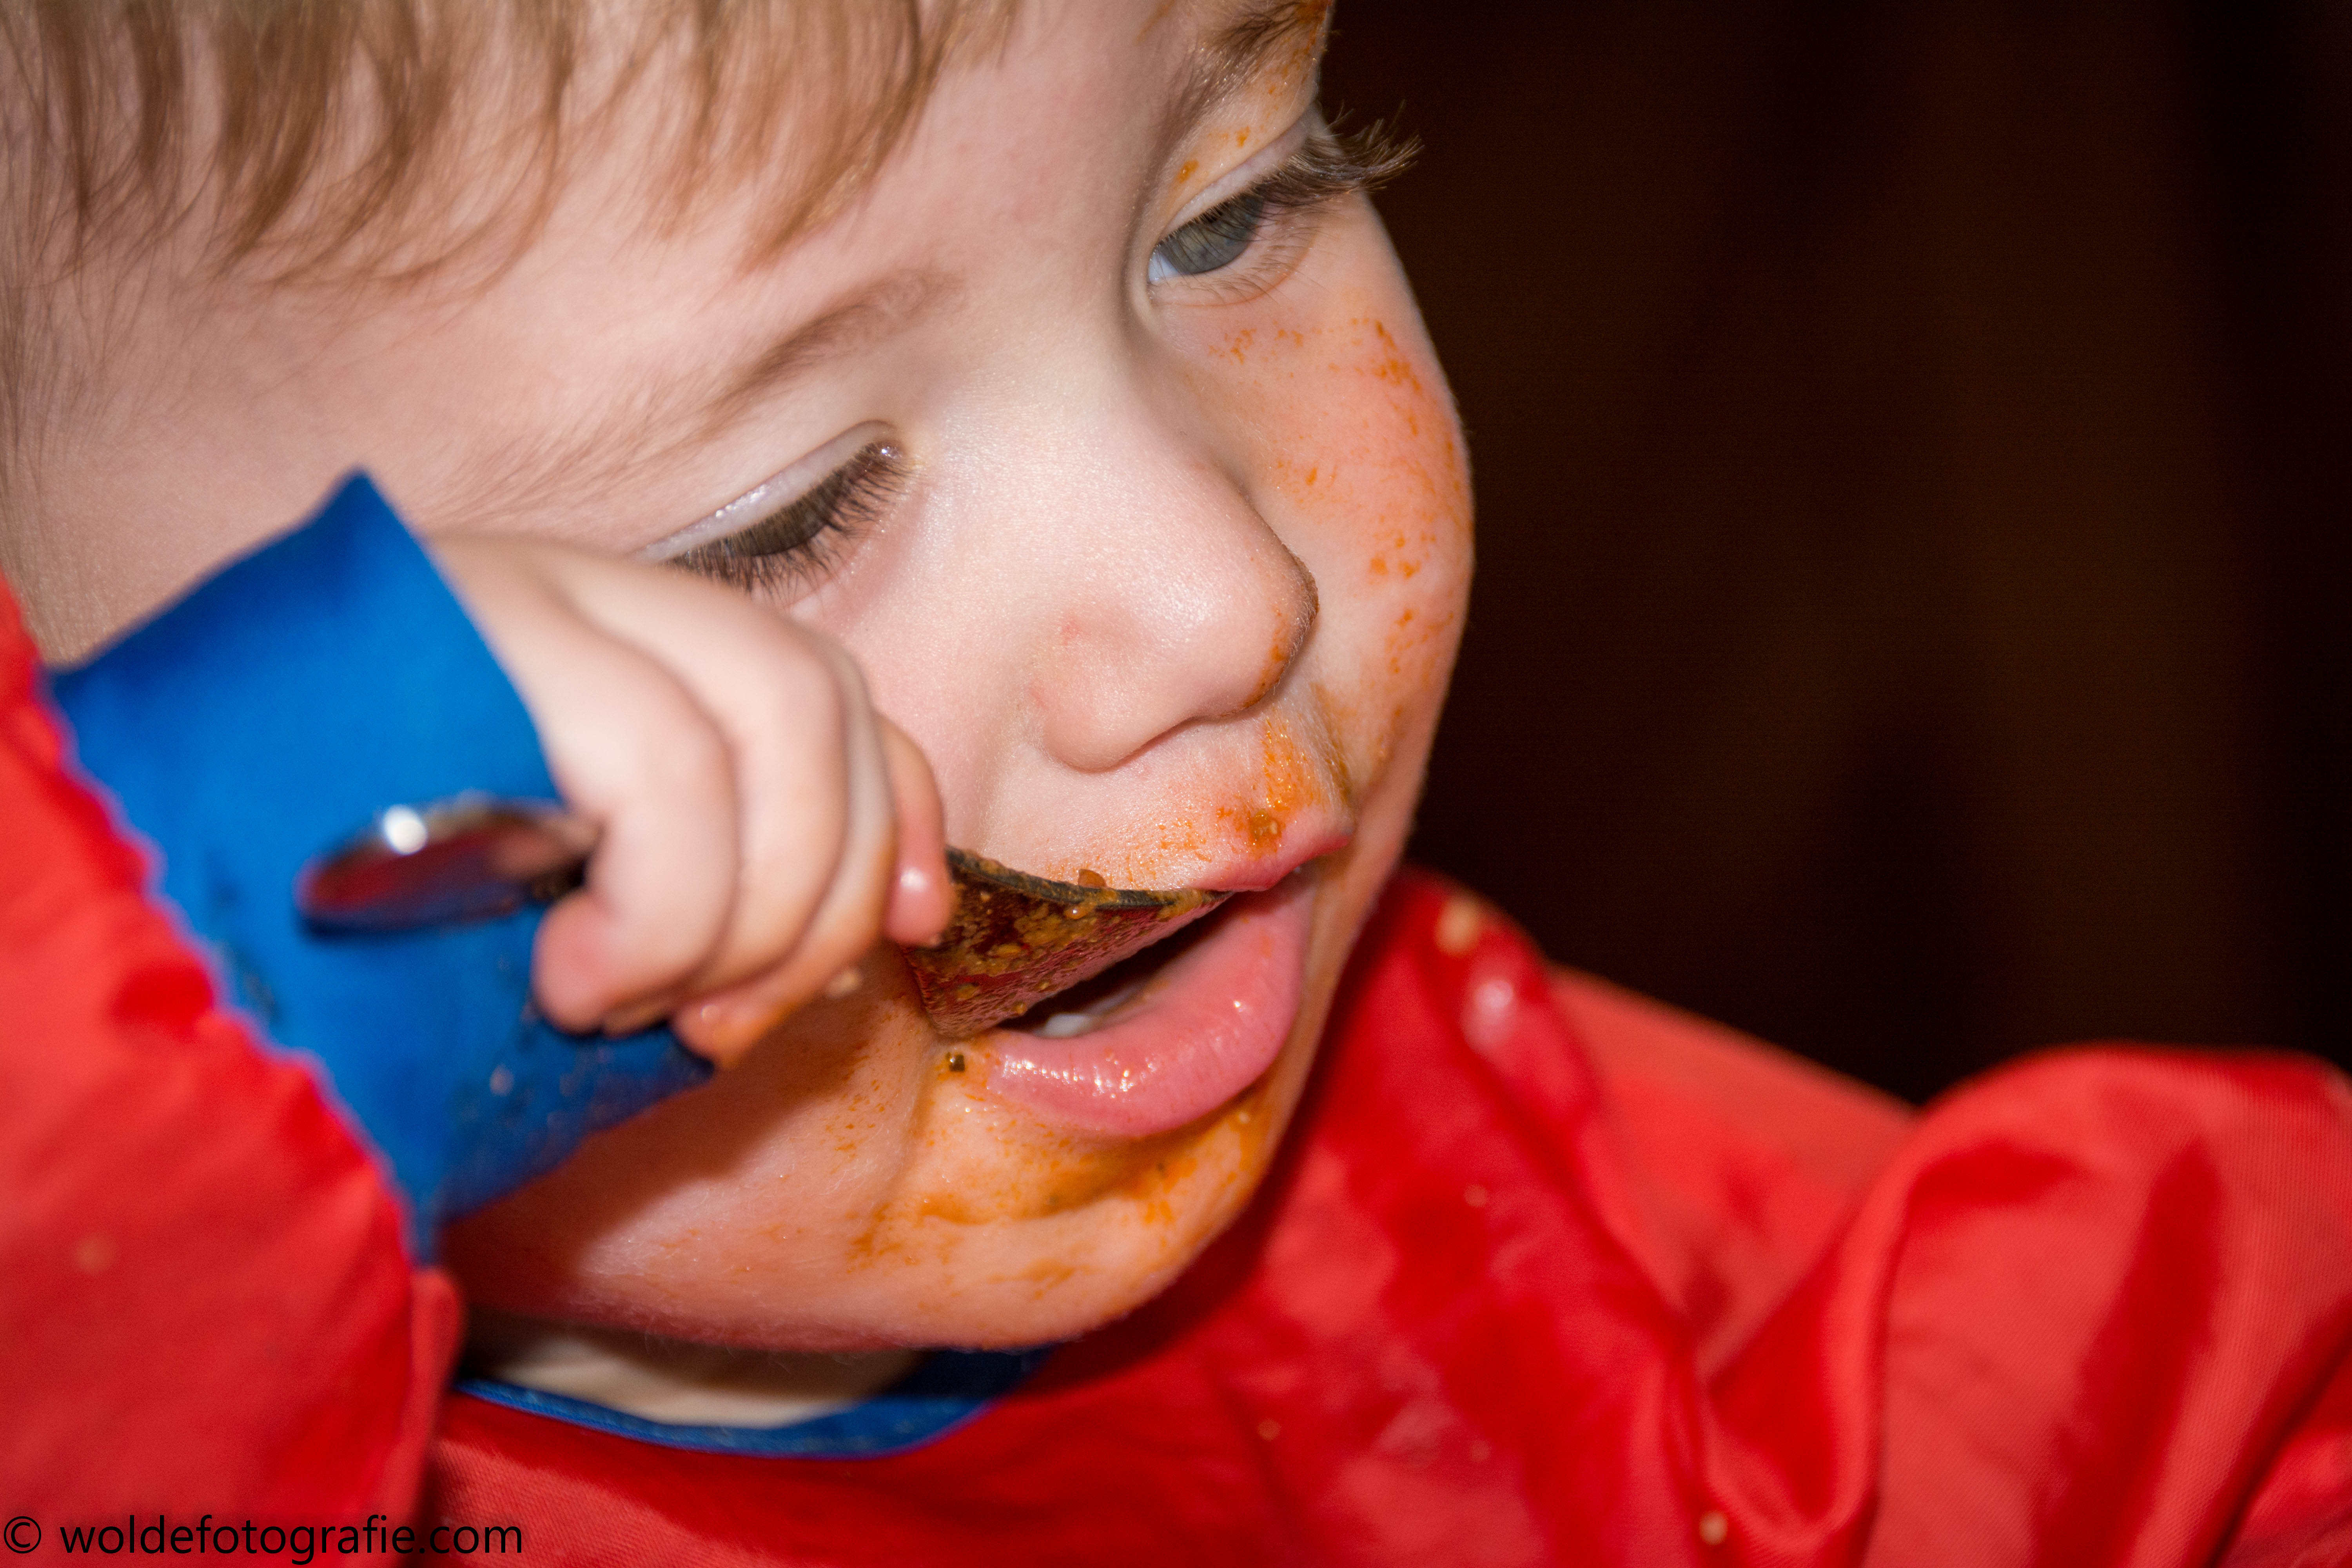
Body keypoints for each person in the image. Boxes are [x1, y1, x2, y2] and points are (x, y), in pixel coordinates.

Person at [2, 3, 2347, 1563]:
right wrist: (174, 1031)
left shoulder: (1533, 1205)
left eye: (1229, 214)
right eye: (783, 517)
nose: (1230, 596)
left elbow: (2190, 1384)